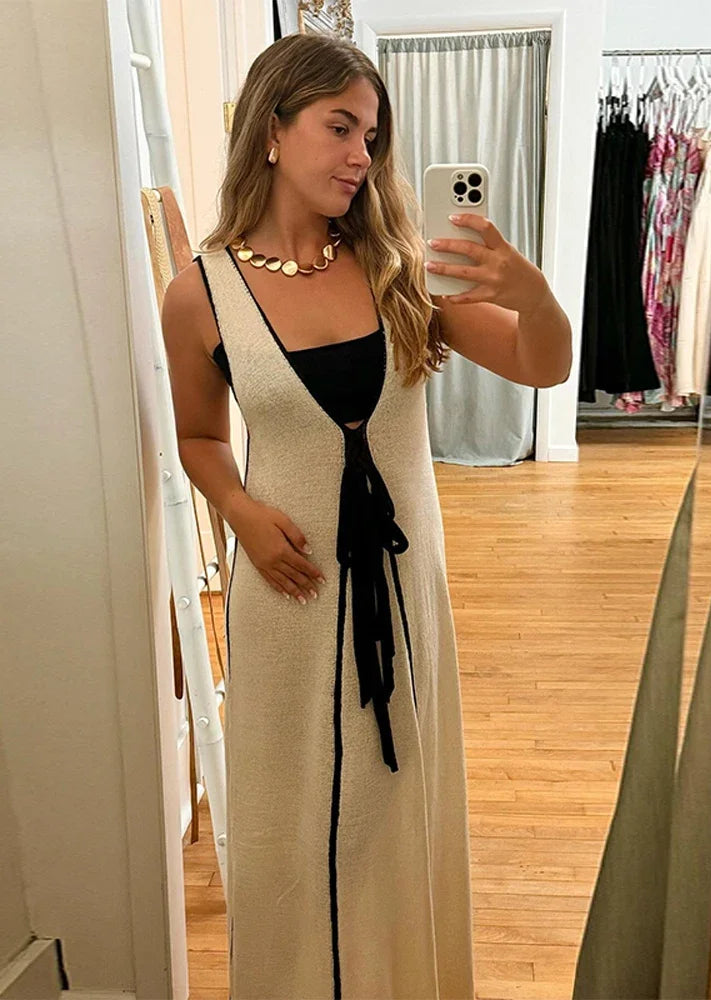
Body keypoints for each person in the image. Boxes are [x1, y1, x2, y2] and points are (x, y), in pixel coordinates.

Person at [161, 30, 570, 1000]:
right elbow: (197, 436)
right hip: (288, 599)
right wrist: (239, 510)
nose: (361, 155)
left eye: (372, 136)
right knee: (292, 825)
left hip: (405, 590)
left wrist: (533, 293)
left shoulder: (398, 270)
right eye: (340, 127)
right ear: (272, 131)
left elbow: (543, 363)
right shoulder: (199, 295)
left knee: (397, 810)